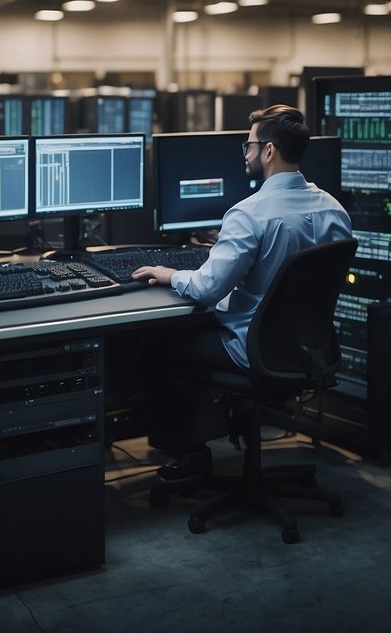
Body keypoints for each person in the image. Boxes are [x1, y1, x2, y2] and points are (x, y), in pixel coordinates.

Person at [131, 104, 352, 480]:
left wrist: (169, 273)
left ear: (269, 151)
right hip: (307, 349)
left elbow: (207, 288)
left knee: (154, 347)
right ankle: (227, 427)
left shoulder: (249, 214)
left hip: (252, 350)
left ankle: (192, 454)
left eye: (249, 145)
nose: (246, 153)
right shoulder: (334, 210)